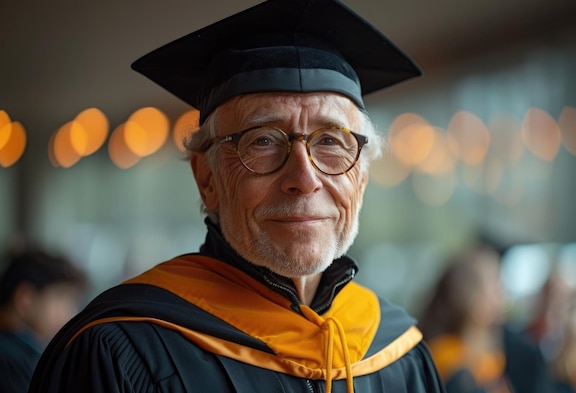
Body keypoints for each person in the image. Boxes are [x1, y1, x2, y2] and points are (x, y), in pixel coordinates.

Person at [28, 1, 446, 392]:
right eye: (263, 140)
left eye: (331, 142)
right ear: (207, 178)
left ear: (362, 179)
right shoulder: (121, 351)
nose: (304, 178)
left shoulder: (400, 354)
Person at [418, 243, 555, 393]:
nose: (503, 292)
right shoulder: (448, 361)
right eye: (495, 283)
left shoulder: (497, 358)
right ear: (472, 300)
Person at [0, 246, 86, 393]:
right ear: (25, 299)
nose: (71, 312)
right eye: (61, 297)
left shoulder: (28, 351)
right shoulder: (9, 359)